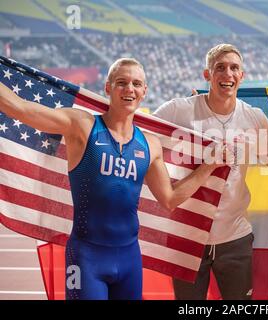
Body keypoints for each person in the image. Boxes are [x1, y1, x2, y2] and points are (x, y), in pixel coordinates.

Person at [0, 58, 222, 300]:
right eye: (121, 82)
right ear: (108, 88)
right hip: (86, 258)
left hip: (129, 260)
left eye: (137, 84)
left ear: (144, 91)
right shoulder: (82, 126)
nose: (129, 89)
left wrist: (208, 167)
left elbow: (169, 199)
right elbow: (19, 108)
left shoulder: (149, 144)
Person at [153, 44, 268, 300]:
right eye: (220, 67)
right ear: (207, 75)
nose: (227, 73)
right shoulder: (178, 110)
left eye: (234, 68)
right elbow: (138, 136)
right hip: (187, 236)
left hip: (234, 236)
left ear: (242, 76)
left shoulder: (254, 118)